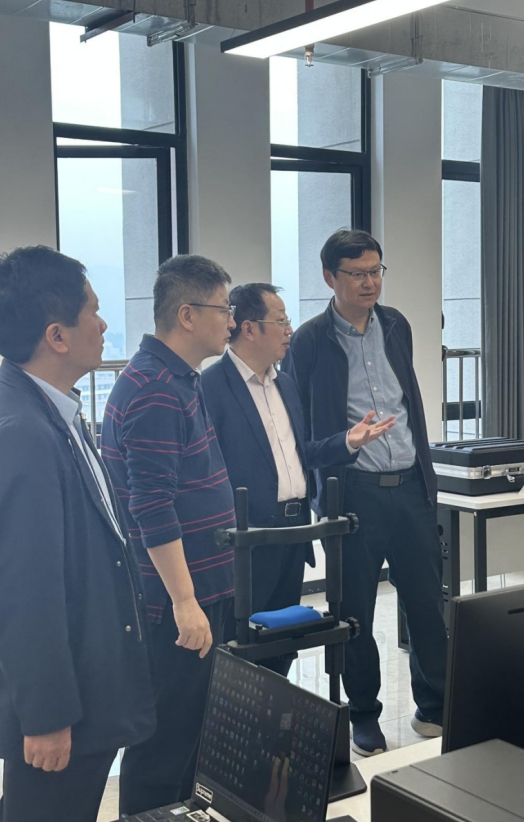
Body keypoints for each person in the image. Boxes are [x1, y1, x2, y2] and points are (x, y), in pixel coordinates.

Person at [0, 246, 155, 822]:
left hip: (89, 687)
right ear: (56, 336)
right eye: (92, 311)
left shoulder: (52, 411)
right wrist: (46, 717)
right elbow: (26, 591)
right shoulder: (24, 433)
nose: (104, 324)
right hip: (63, 709)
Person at [281, 229, 448, 757]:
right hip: (354, 492)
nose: (369, 282)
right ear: (330, 278)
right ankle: (364, 714)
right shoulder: (309, 341)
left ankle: (436, 704)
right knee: (355, 612)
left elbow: (409, 402)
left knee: (427, 602)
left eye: (376, 271)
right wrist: (339, 456)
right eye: (357, 274)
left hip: (411, 485)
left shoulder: (396, 324)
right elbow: (297, 430)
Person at [101, 254, 237, 815]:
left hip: (199, 588)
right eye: (223, 309)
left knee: (189, 743)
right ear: (187, 314)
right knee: (164, 748)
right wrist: (185, 601)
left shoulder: (177, 378)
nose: (231, 321)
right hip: (175, 601)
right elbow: (150, 504)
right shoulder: (156, 388)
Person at [201, 283, 394, 674]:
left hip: (294, 532)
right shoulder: (211, 386)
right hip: (247, 539)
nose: (289, 330)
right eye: (281, 321)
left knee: (284, 643)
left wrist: (347, 441)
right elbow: (208, 467)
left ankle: (278, 713)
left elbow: (299, 453)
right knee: (243, 647)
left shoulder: (284, 382)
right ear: (249, 328)